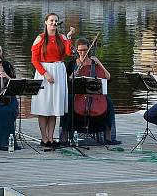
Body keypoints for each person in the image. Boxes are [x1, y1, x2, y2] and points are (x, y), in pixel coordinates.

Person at [60, 38, 119, 145]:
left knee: (109, 102)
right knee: (67, 101)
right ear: (76, 50)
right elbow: (64, 82)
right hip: (76, 94)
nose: (82, 53)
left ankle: (108, 136)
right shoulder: (71, 64)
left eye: (85, 50)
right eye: (80, 50)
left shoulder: (94, 63)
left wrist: (100, 64)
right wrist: (72, 76)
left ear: (88, 50)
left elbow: (109, 78)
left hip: (94, 95)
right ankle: (64, 135)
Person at [31, 13, 75, 149]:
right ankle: (44, 137)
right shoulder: (40, 38)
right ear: (46, 22)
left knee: (55, 106)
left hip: (58, 70)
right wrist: (45, 74)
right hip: (44, 71)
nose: (54, 23)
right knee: (44, 106)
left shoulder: (61, 37)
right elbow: (34, 59)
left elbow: (69, 53)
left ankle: (51, 137)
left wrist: (68, 38)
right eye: (51, 20)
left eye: (56, 21)